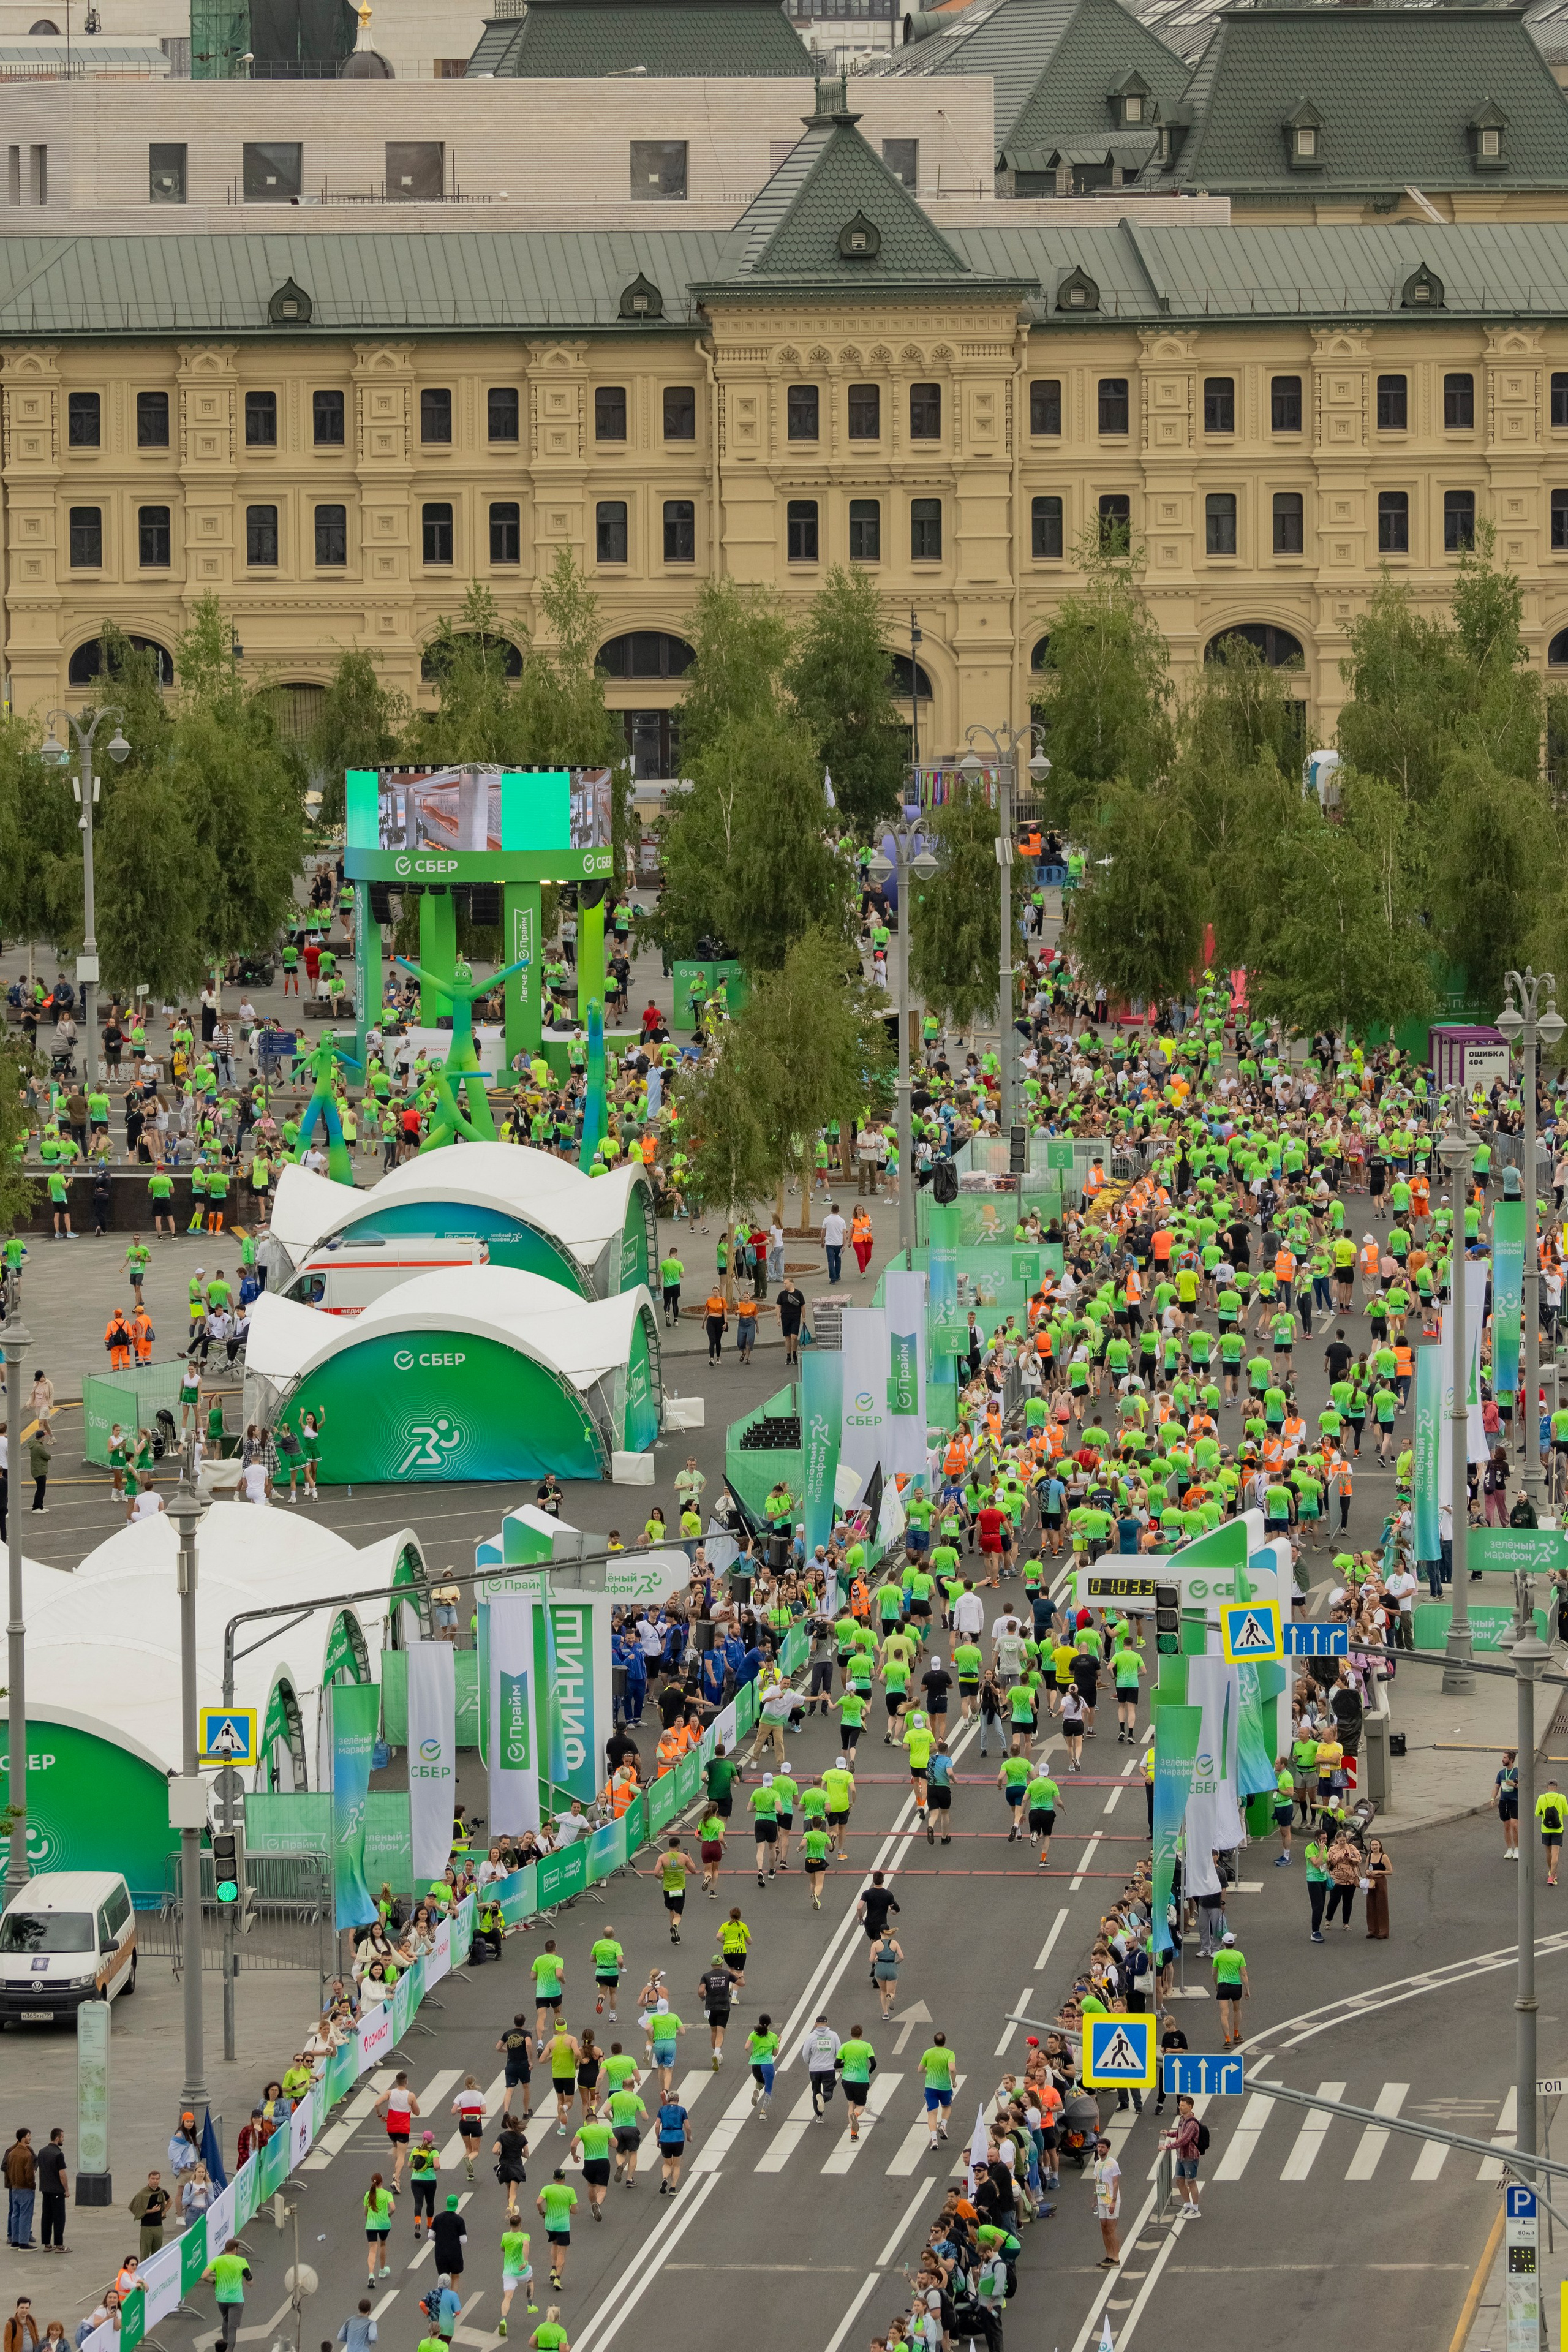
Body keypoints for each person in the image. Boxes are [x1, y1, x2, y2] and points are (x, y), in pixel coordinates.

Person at [205, 2236, 252, 2349]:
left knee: (226, 2319)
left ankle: (223, 2348)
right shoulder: (242, 2261)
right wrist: (247, 2279)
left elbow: (204, 2276)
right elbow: (250, 2282)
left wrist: (213, 2281)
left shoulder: (217, 2260)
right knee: (232, 2329)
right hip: (236, 2299)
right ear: (235, 2249)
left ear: (226, 2249)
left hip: (221, 2299)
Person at [1161, 2095, 1203, 2217]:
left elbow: (1184, 2139)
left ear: (1189, 2107)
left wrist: (1168, 2147)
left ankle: (1196, 2210)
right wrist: (1169, 2133)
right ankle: (1188, 2206)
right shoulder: (1182, 2119)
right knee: (1179, 2180)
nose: (1180, 2107)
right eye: (1180, 2105)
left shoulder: (1192, 2123)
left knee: (1191, 2182)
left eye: (1182, 2105)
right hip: (1181, 2156)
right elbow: (1180, 2133)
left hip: (1190, 2157)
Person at [535, 2170, 576, 2291]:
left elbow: (538, 2202)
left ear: (554, 2178)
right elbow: (574, 2211)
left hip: (549, 2224)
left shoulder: (547, 2189)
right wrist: (568, 2207)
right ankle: (558, 2278)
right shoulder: (570, 2191)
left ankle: (553, 2268)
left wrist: (542, 2212)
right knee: (562, 2253)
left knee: (554, 2244)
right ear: (564, 2179)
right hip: (563, 2226)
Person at [498, 2218, 537, 2336]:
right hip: (522, 2271)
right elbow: (525, 2244)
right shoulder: (524, 2236)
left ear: (510, 2224)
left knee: (507, 2298)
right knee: (529, 2281)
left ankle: (503, 2319)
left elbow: (502, 2249)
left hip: (509, 2272)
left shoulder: (505, 2236)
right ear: (520, 2225)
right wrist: (525, 2261)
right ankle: (530, 2305)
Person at [1212, 1931, 1248, 2047]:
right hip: (1236, 1986)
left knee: (1224, 2014)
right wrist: (1248, 1989)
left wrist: (1216, 1985)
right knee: (1237, 2010)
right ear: (1234, 1943)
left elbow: (1214, 1973)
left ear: (1223, 1943)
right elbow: (1244, 1974)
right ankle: (1236, 2035)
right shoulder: (1239, 1955)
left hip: (1223, 1985)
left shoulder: (1218, 1955)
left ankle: (1227, 2040)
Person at [1091, 2136, 1121, 2269]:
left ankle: (1116, 2257)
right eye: (1099, 2147)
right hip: (1101, 2199)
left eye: (1103, 2147)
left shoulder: (1113, 2163)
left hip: (1110, 2199)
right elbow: (1097, 2181)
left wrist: (1114, 2201)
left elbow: (1115, 2183)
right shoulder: (1098, 2164)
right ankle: (1109, 2255)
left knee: (1111, 2229)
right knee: (1103, 2227)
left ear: (1108, 2149)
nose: (1100, 2149)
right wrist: (1094, 2200)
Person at [36, 2129, 66, 2255]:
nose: (64, 2139)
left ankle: (47, 2244)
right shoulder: (58, 2154)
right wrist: (67, 2190)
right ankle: (59, 2245)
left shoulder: (42, 2152)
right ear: (57, 2139)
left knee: (47, 2217)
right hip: (57, 2191)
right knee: (59, 2218)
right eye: (63, 2137)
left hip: (45, 2190)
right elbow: (62, 2174)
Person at [3, 2131, 34, 2250]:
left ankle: (15, 2241)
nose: (30, 2138)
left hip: (14, 2187)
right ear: (23, 2138)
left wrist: (13, 2181)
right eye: (28, 2136)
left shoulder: (12, 2153)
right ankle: (23, 2243)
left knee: (15, 2214)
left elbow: (7, 2169)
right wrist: (32, 2185)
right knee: (25, 2215)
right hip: (25, 2188)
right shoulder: (27, 2154)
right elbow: (29, 2174)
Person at [129, 2170, 171, 2257]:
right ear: (149, 2180)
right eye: (153, 2179)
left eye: (157, 2179)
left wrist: (163, 2212)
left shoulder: (162, 2192)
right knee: (145, 2253)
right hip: (146, 2227)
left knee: (157, 2254)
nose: (155, 2181)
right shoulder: (142, 2193)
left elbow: (170, 2201)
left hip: (159, 2226)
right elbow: (136, 2209)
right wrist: (151, 2211)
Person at [363, 2174, 394, 2281]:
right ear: (382, 2182)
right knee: (383, 2245)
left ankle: (371, 2274)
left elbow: (365, 2213)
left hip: (371, 2225)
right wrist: (389, 2214)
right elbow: (393, 2208)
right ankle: (382, 2270)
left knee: (372, 2250)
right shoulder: (387, 2194)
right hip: (384, 2225)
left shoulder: (368, 2194)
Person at [1537, 1780, 1568, 1886]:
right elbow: (1566, 1811)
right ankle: (1551, 1877)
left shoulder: (1541, 1798)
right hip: (1558, 1830)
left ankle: (1551, 1871)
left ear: (1547, 1788)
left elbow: (1537, 1813)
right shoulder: (1561, 1797)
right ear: (1557, 1787)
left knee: (1548, 1853)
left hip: (1545, 1829)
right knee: (1556, 1853)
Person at [1363, 1837, 1393, 1937]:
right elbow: (1366, 1869)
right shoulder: (1369, 1856)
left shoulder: (1384, 1857)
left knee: (1382, 1906)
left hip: (1380, 1882)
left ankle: (1383, 1931)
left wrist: (1379, 1871)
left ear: (1380, 1846)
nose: (1374, 1847)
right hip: (1371, 1882)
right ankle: (1373, 1930)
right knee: (1371, 1905)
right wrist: (1367, 1871)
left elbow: (1390, 1871)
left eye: (1376, 1845)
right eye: (1372, 1845)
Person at [1498, 1749, 1521, 1858]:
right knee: (1507, 1826)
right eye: (1503, 1757)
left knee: (1515, 1825)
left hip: (1515, 1801)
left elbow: (1526, 1787)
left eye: (1505, 1758)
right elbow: (1496, 1786)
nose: (1503, 1759)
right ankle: (1509, 1850)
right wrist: (1493, 1799)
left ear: (1511, 1760)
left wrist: (1515, 1785)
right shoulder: (1501, 1773)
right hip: (1504, 1801)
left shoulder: (1518, 1772)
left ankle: (1517, 1849)